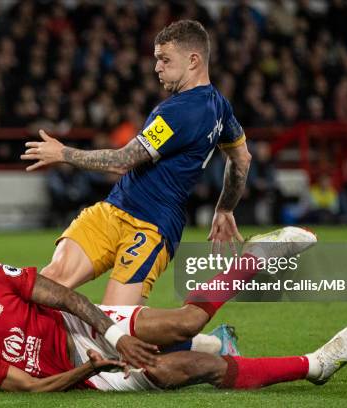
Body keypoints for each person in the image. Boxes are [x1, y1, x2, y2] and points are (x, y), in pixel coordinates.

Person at [21, 20, 252, 305]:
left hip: (151, 227)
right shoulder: (220, 106)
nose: (157, 68)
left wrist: (63, 153)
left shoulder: (182, 111)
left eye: (165, 59)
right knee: (45, 288)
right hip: (113, 209)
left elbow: (123, 161)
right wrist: (226, 207)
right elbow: (241, 158)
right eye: (157, 59)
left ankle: (201, 343)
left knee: (116, 325)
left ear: (193, 61)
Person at [0, 256, 347, 392]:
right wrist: (95, 367)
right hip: (88, 374)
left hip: (85, 324)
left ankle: (249, 262)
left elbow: (65, 295)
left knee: (182, 323)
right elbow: (33, 390)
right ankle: (314, 365)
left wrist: (114, 334)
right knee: (181, 371)